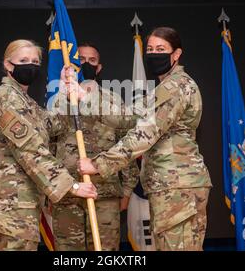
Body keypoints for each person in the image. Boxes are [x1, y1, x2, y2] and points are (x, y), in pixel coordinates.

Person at [77, 27, 212, 251]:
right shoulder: (162, 88)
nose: (153, 54)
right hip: (170, 186)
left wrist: (97, 164)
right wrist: (85, 97)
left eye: (161, 49)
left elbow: (143, 135)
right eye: (150, 49)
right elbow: (129, 118)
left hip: (177, 187)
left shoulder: (175, 86)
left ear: (176, 54)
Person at [0, 39, 97, 251]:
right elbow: (31, 152)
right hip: (11, 204)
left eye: (35, 61)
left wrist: (63, 92)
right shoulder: (6, 100)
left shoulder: (25, 101)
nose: (31, 65)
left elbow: (54, 125)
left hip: (24, 201)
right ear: (8, 64)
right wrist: (73, 186)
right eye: (23, 60)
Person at [51, 43, 140, 251]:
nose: (86, 64)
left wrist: (127, 191)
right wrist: (51, 189)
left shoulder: (112, 101)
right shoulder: (59, 100)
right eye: (81, 59)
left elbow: (126, 144)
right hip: (68, 194)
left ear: (99, 68)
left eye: (92, 61)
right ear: (73, 65)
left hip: (105, 194)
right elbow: (48, 145)